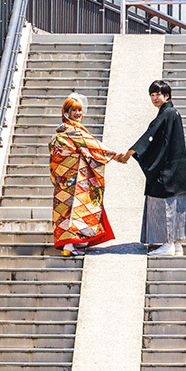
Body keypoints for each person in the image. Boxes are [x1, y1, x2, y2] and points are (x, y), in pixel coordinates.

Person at [117, 79, 186, 257]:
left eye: (158, 95)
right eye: (152, 95)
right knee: (175, 203)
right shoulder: (173, 113)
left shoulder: (167, 113)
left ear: (167, 96)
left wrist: (128, 153)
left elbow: (150, 135)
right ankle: (176, 243)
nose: (155, 98)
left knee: (164, 203)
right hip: (176, 167)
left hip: (167, 168)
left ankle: (167, 243)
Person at [49, 92, 119, 257]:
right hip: (74, 177)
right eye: (73, 110)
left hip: (63, 178)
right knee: (75, 210)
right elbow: (94, 147)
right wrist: (115, 155)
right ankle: (71, 246)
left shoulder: (60, 132)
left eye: (79, 110)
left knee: (65, 210)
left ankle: (69, 245)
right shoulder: (73, 131)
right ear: (66, 112)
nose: (78, 114)